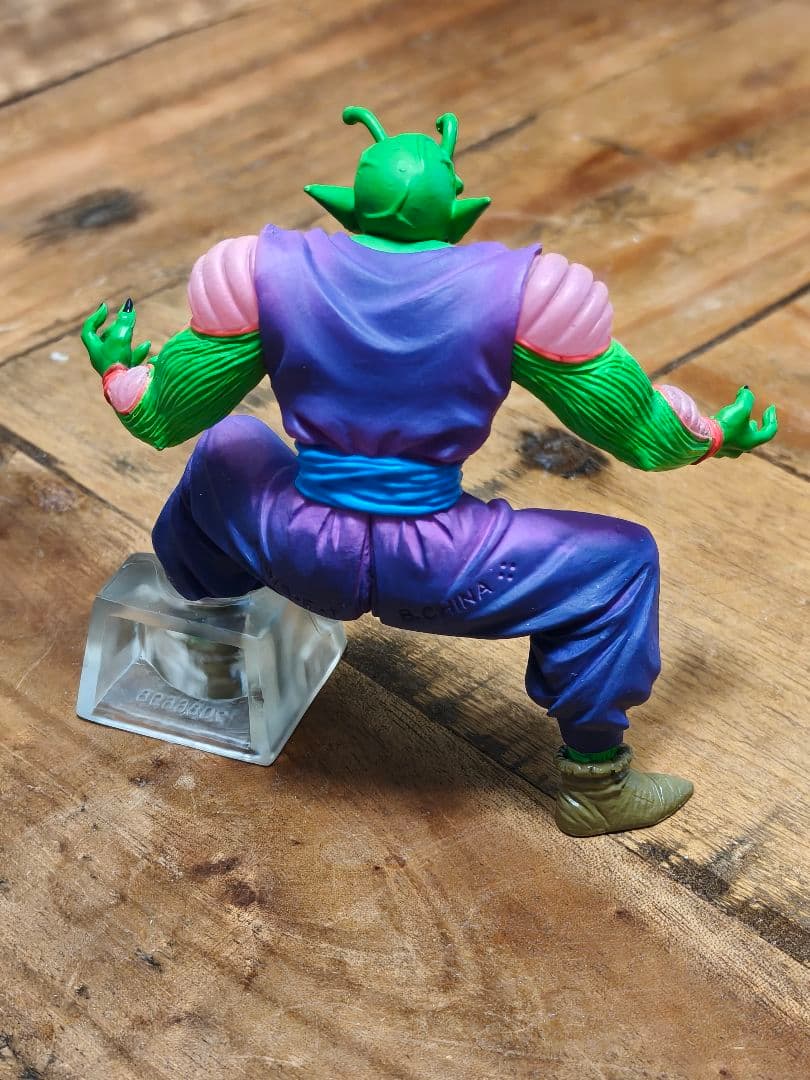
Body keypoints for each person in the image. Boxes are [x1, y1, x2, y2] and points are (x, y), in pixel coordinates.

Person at [81, 107, 777, 836]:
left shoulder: (260, 271)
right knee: (624, 562)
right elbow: (637, 428)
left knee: (225, 446)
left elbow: (162, 415)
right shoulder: (526, 292)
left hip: (295, 544)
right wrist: (709, 436)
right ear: (454, 208)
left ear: (354, 202)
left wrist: (119, 371)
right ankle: (595, 781)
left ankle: (204, 605)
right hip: (441, 569)